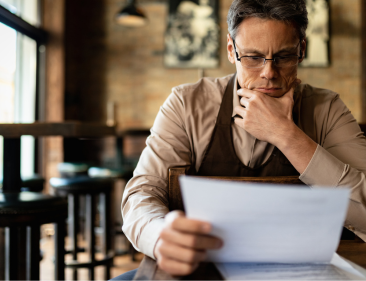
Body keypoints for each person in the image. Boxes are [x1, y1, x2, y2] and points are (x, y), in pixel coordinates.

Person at [112, 0, 366, 279]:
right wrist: (160, 236)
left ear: (301, 51)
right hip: (204, 268)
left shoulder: (327, 109)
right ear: (232, 51)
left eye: (283, 56)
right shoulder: (186, 104)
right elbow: (142, 194)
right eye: (253, 57)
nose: (269, 72)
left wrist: (285, 134)